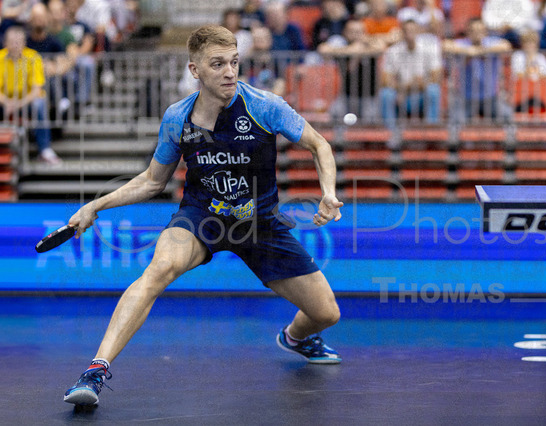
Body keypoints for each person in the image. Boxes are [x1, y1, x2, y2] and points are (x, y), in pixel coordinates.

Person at [63, 24, 343, 407]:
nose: (229, 72)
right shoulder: (177, 118)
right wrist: (94, 205)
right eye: (218, 64)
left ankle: (295, 337)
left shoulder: (264, 106)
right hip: (201, 218)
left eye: (234, 62)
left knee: (326, 313)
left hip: (259, 225)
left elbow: (319, 144)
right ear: (195, 70)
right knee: (158, 270)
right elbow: (152, 181)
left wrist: (328, 192)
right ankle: (95, 370)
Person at [0, 25, 60, 164]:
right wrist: (7, 102)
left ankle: (45, 149)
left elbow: (36, 90)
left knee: (39, 103)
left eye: (18, 42)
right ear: (5, 43)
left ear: (24, 43)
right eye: (11, 42)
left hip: (26, 102)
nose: (15, 45)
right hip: (5, 102)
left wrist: (18, 104)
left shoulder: (33, 57)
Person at [443, 18, 512, 121]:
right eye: (473, 31)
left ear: (485, 32)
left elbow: (506, 46)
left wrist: (481, 51)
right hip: (466, 98)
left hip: (490, 97)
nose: (477, 34)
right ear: (468, 32)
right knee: (455, 119)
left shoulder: (490, 42)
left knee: (507, 116)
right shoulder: (464, 43)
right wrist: (468, 51)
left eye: (480, 30)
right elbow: (445, 45)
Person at [380, 19, 442, 129]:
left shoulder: (430, 48)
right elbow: (386, 79)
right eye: (406, 31)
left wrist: (419, 84)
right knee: (386, 94)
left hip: (421, 94)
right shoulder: (393, 51)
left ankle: (431, 130)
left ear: (419, 31)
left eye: (413, 31)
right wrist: (406, 87)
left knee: (433, 90)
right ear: (402, 33)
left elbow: (436, 77)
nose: (409, 34)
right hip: (401, 94)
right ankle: (390, 132)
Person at [318, 18, 385, 119]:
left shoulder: (371, 45)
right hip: (346, 97)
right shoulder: (342, 46)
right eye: (352, 32)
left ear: (364, 33)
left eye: (358, 32)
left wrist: (361, 49)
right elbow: (322, 49)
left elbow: (381, 48)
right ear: (345, 33)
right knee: (335, 112)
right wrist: (351, 51)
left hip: (369, 98)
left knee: (371, 118)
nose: (355, 35)